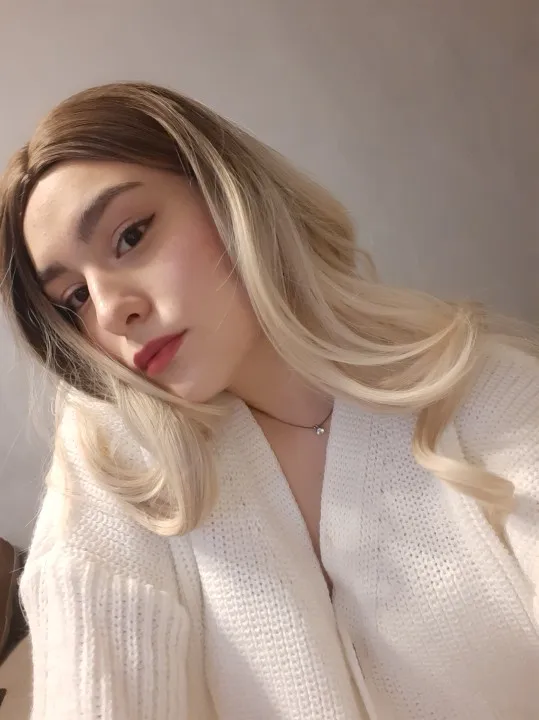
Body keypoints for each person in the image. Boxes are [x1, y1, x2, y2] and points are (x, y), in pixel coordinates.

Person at [0, 82, 537, 720]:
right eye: (76, 298)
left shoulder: (480, 391)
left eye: (131, 235)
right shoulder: (120, 463)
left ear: (229, 193)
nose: (112, 312)